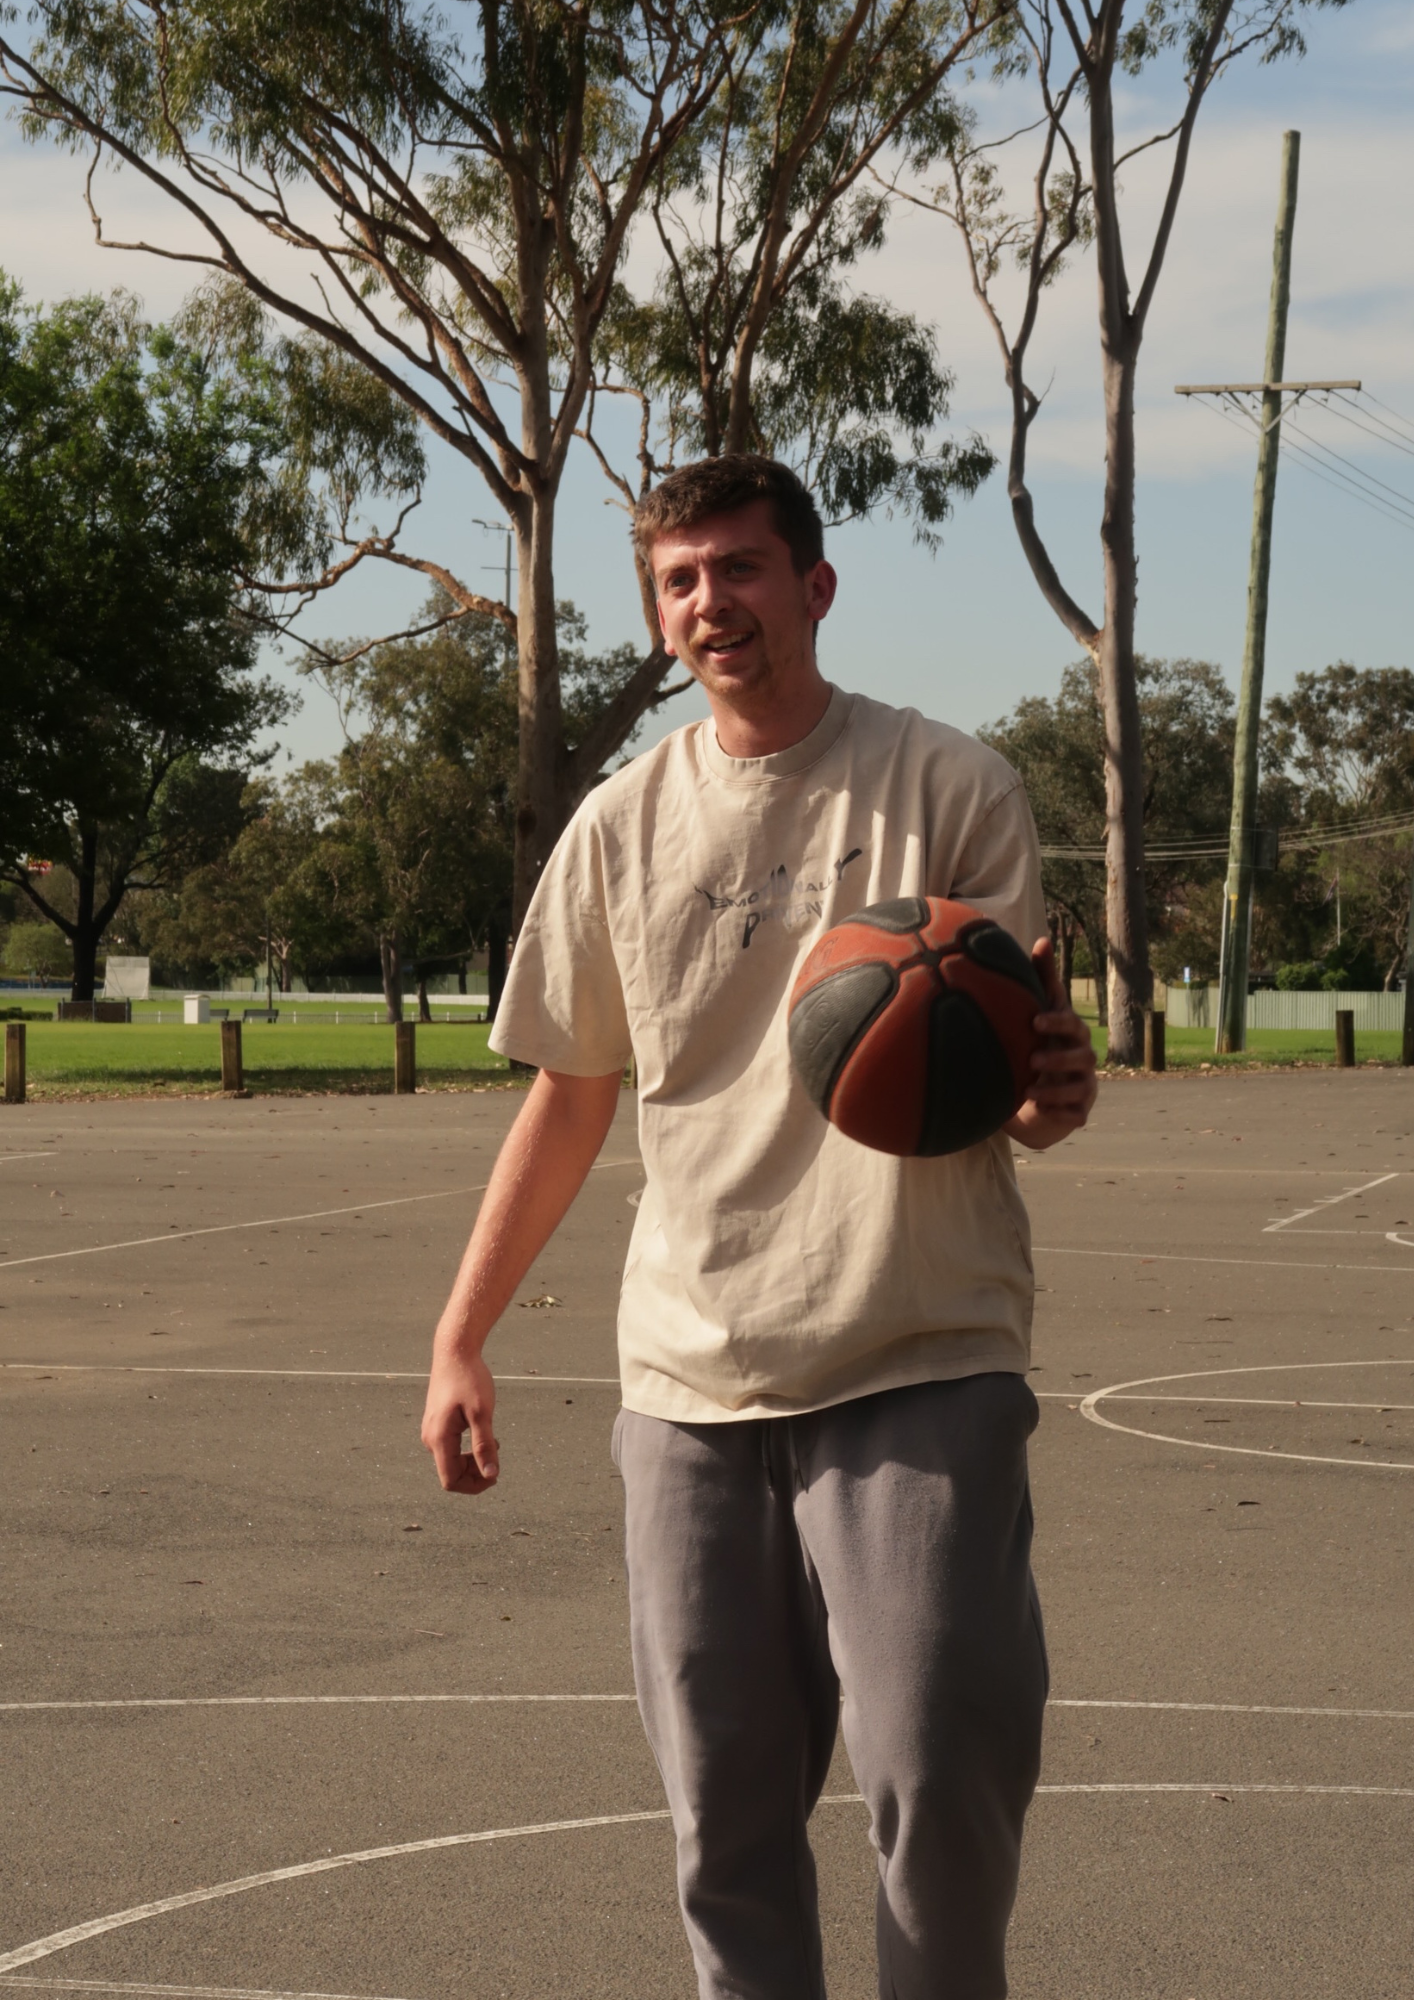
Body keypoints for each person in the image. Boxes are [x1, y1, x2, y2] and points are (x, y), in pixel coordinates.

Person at [421, 455, 1098, 1999]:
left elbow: (1015, 1086)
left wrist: (1048, 1092)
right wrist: (460, 1336)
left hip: (918, 1346)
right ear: (658, 616)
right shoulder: (619, 824)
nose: (709, 602)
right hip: (691, 1379)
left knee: (938, 1779)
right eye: (678, 580)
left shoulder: (946, 786)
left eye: (737, 568)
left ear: (813, 587)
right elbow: (568, 1098)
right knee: (723, 1817)